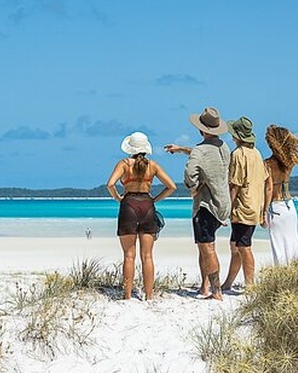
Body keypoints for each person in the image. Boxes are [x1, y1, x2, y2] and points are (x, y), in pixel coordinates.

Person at [165, 107, 231, 301]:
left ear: (201, 129)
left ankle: (216, 291)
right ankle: (205, 286)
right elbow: (202, 153)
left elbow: (189, 175)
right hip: (223, 203)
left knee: (207, 247)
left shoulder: (200, 151)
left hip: (206, 205)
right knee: (205, 245)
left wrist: (193, 188)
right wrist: (181, 149)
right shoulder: (224, 147)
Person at [107, 132, 177, 300]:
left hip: (129, 205)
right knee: (147, 256)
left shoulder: (124, 164)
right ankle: (149, 296)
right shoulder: (152, 165)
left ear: (130, 148)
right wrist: (154, 200)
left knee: (129, 256)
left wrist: (119, 198)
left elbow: (110, 184)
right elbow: (171, 186)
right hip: (147, 206)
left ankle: (128, 295)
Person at [221, 116, 269, 292]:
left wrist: (227, 207)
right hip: (255, 204)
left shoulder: (238, 154)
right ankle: (228, 283)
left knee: (243, 246)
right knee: (235, 246)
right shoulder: (256, 153)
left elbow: (234, 184)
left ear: (238, 136)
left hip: (243, 206)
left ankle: (250, 284)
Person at [262, 124, 298, 265]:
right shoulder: (289, 161)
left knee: (279, 245)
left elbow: (269, 189)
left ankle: (282, 277)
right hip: (289, 206)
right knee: (293, 242)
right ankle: (297, 272)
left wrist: (264, 212)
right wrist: (293, 138)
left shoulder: (268, 164)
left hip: (276, 208)